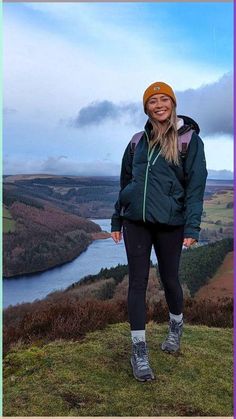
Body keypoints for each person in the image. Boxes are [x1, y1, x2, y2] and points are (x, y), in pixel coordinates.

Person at [111, 81, 207, 382]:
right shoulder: (137, 140)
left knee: (169, 280)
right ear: (146, 108)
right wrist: (117, 218)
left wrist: (192, 225)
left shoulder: (189, 140)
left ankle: (176, 326)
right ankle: (139, 351)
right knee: (136, 283)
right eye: (153, 101)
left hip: (171, 223)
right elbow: (126, 182)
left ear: (173, 103)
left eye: (164, 99)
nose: (159, 105)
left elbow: (196, 187)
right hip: (135, 222)